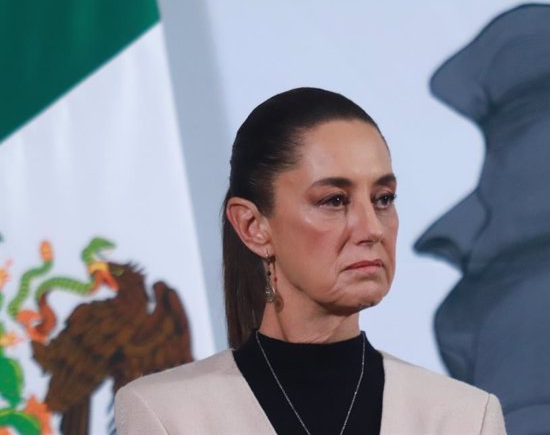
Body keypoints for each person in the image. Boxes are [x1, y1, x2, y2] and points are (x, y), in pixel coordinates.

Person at [114, 87, 506, 434]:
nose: (371, 228)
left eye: (383, 198)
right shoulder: (167, 415)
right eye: (334, 200)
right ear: (253, 226)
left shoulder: (465, 418)